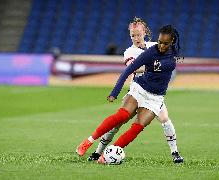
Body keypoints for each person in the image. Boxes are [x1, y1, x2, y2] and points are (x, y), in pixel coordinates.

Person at [76, 24, 184, 164]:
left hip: (156, 98)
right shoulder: (143, 51)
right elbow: (129, 69)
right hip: (139, 88)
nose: (162, 46)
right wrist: (115, 92)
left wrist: (163, 65)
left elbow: (175, 60)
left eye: (165, 43)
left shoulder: (172, 51)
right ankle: (89, 143)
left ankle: (108, 155)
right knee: (121, 117)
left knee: (140, 127)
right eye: (133, 35)